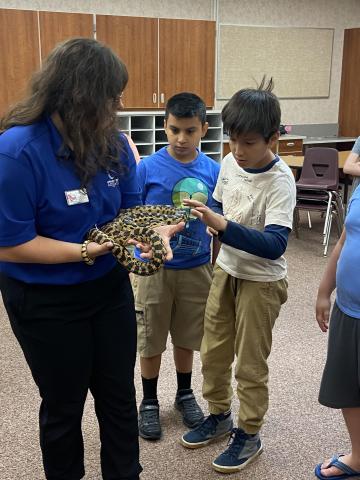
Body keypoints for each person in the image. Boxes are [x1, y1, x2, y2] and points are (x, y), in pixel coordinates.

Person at [0, 37, 183, 480]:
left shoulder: (114, 145)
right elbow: (9, 243)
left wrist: (153, 233)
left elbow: (129, 213)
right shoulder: (17, 151)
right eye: (110, 96)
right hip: (45, 299)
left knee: (118, 397)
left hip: (108, 289)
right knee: (64, 405)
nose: (117, 106)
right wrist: (85, 250)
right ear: (78, 95)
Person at [180, 78, 296, 474]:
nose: (238, 151)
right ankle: (219, 415)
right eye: (232, 140)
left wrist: (223, 225)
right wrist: (206, 213)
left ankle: (248, 432)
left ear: (272, 139)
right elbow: (219, 199)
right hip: (226, 271)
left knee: (249, 363)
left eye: (249, 143)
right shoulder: (230, 162)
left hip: (262, 282)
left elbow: (275, 244)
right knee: (212, 350)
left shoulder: (281, 181)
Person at [134, 92, 220, 440]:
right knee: (150, 336)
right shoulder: (147, 168)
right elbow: (130, 215)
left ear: (204, 128)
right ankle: (149, 401)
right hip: (153, 269)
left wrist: (216, 245)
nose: (181, 139)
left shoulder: (213, 170)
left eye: (189, 131)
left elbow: (218, 220)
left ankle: (184, 394)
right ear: (165, 127)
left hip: (197, 268)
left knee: (187, 336)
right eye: (173, 130)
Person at [314, 188, 360, 478]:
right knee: (348, 388)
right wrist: (323, 291)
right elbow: (344, 240)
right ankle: (359, 456)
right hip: (349, 309)